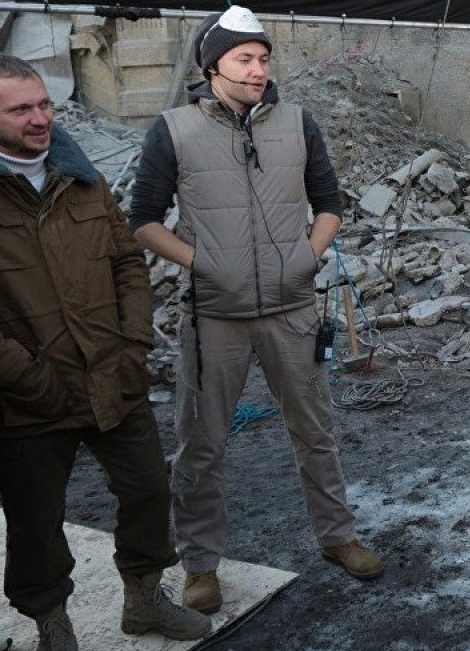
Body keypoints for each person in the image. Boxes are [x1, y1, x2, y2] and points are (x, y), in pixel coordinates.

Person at [130, 5, 383, 615]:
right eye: (244, 58)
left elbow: (329, 203)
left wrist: (305, 256)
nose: (258, 69)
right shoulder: (174, 130)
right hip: (214, 315)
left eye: (264, 58)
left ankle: (338, 536)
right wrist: (203, 263)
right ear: (212, 66)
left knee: (315, 431)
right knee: (201, 444)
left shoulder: (297, 123)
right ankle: (200, 564)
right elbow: (143, 220)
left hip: (291, 309)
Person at [0, 56, 211, 651]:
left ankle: (143, 599)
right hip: (27, 398)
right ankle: (52, 627)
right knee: (36, 520)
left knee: (147, 489)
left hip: (112, 378)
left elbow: (125, 263)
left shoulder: (81, 179)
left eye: (44, 104)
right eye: (20, 109)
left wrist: (131, 344)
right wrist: (31, 379)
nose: (40, 118)